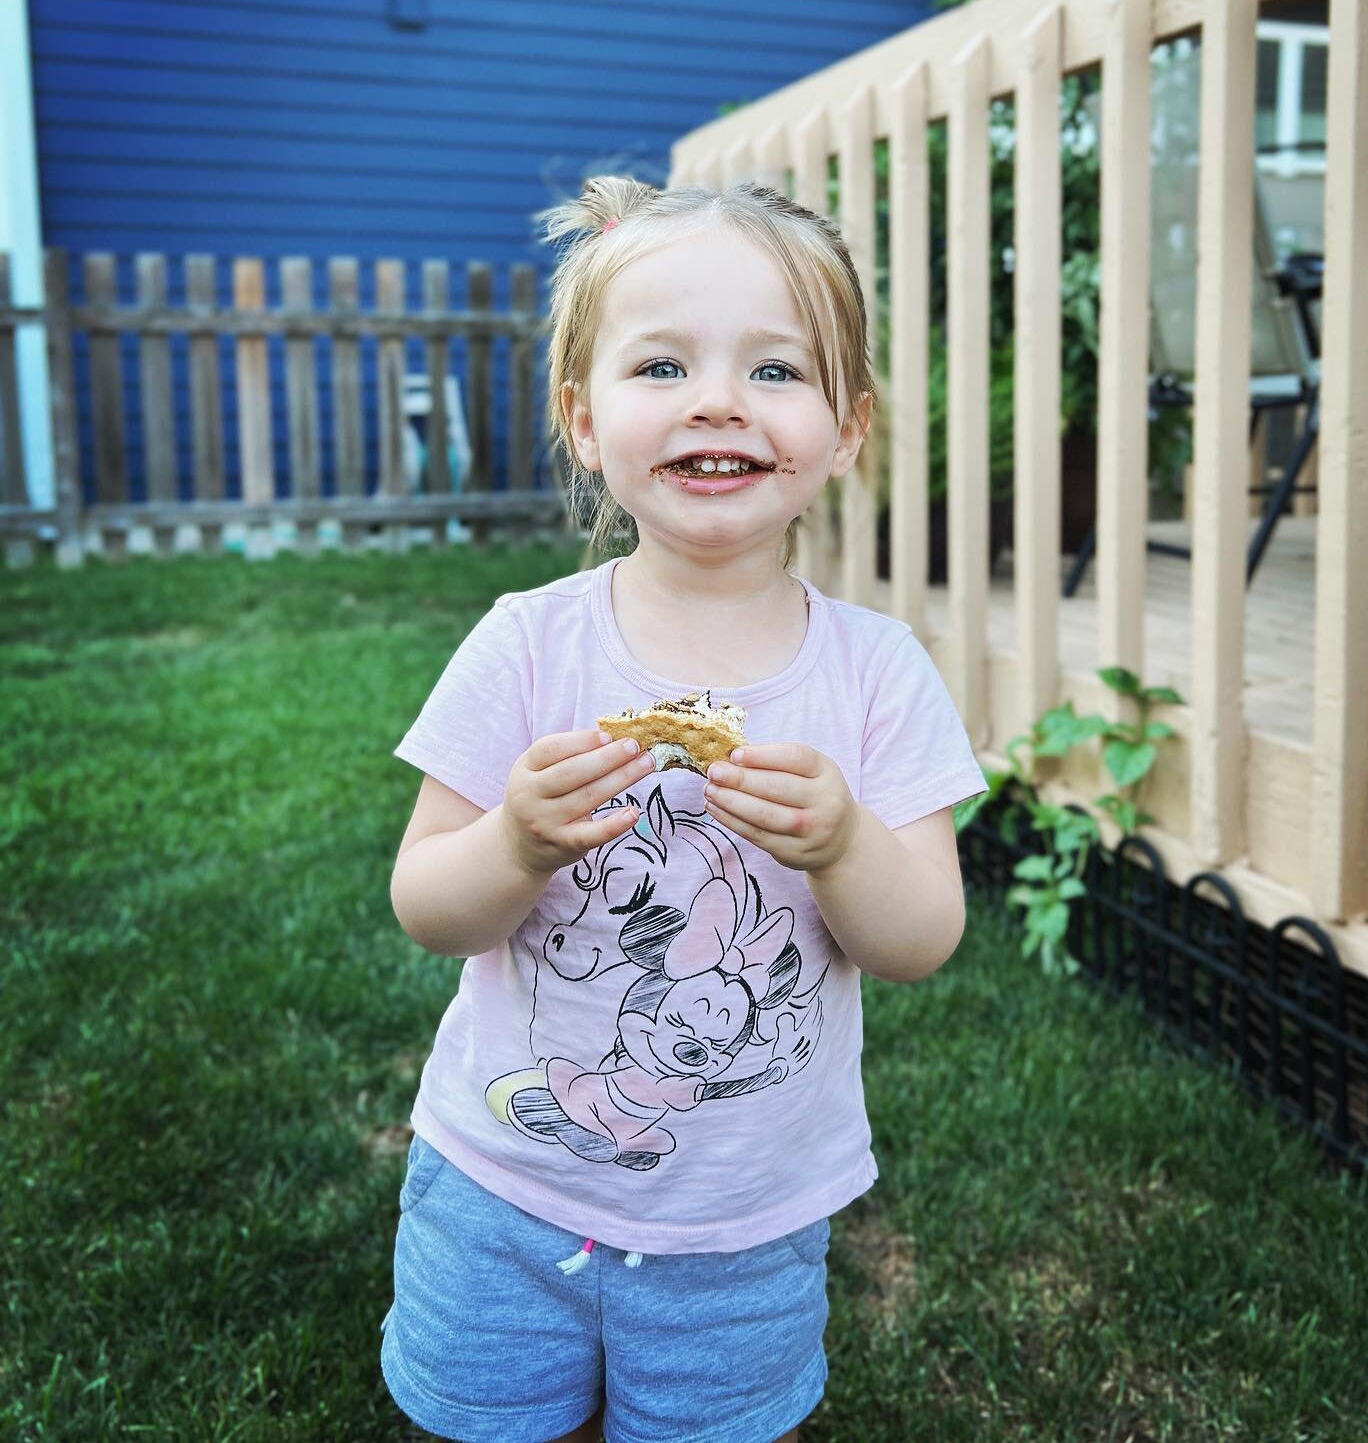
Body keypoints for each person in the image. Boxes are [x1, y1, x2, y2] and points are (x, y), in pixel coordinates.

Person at [380, 176, 988, 1443]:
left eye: (775, 371)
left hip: (742, 1222)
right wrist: (514, 841)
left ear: (849, 425)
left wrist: (841, 846)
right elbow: (427, 906)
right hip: (504, 1194)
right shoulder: (526, 646)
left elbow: (922, 937)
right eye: (662, 366)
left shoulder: (877, 674)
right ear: (585, 421)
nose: (719, 401)